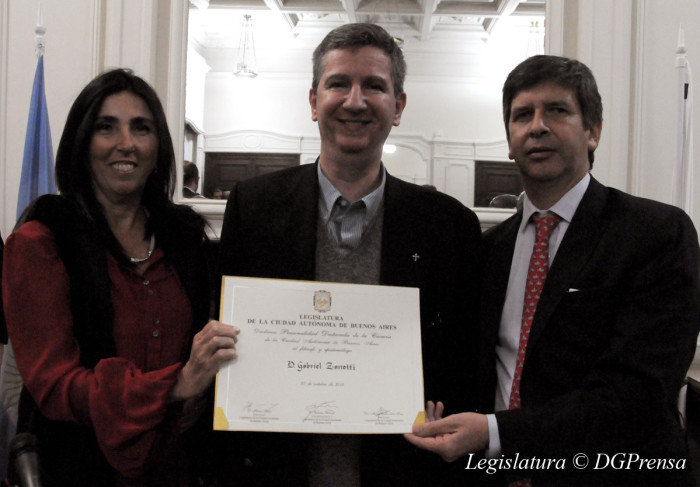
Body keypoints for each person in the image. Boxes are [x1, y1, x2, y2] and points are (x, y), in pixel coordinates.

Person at [405, 54, 700, 486]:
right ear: (509, 141)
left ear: (593, 131)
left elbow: (638, 393)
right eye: (522, 115)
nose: (537, 126)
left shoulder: (655, 233)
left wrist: (494, 434)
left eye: (557, 111)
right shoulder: (488, 250)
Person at [214, 22, 482, 486]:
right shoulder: (253, 207)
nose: (355, 101)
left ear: (398, 107)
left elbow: (463, 358)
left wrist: (445, 410)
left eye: (374, 86)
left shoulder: (448, 225)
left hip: (402, 472)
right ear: (313, 100)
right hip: (276, 471)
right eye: (338, 83)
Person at [2, 69, 239, 487]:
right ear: (81, 142)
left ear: (158, 146)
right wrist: (175, 386)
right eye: (106, 127)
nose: (125, 143)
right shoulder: (42, 242)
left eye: (141, 128)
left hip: (174, 468)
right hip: (76, 469)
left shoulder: (187, 240)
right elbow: (55, 386)